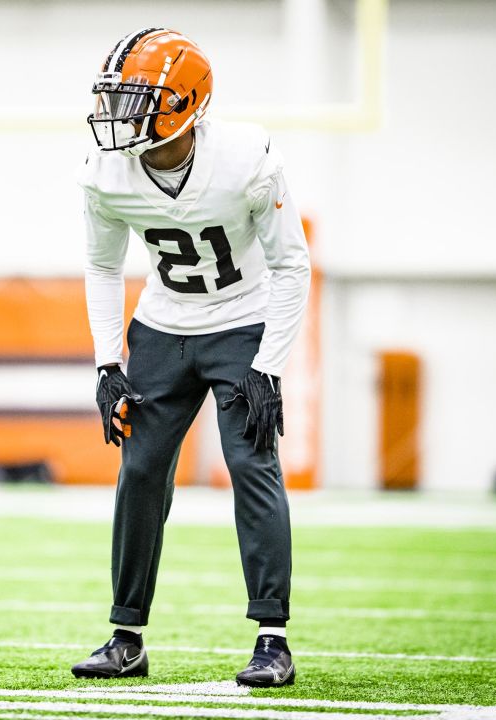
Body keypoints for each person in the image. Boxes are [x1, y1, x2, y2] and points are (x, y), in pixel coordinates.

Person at [70, 28, 311, 688]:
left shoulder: (246, 158)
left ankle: (273, 639)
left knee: (249, 462)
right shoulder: (104, 173)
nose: (120, 118)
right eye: (117, 100)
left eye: (137, 101)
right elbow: (101, 263)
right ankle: (126, 636)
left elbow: (292, 265)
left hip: (241, 321)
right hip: (164, 324)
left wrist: (269, 364)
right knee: (140, 468)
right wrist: (105, 362)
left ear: (187, 105)